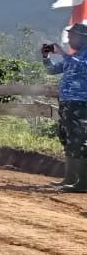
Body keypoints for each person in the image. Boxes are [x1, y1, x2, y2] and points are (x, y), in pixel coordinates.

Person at [43, 22, 87, 192]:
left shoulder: (81, 57)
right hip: (68, 102)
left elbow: (82, 67)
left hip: (82, 103)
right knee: (67, 138)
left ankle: (83, 182)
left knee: (80, 140)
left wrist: (63, 54)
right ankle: (70, 178)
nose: (68, 39)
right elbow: (52, 71)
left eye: (72, 36)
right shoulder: (75, 56)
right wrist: (46, 58)